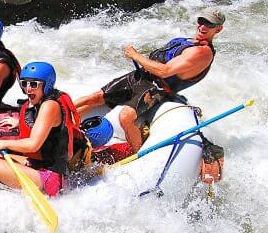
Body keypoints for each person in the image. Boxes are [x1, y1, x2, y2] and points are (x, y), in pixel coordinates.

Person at [74, 8, 225, 151]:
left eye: (209, 24)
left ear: (218, 29)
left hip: (157, 88)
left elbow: (165, 71)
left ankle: (137, 153)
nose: (203, 26)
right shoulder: (186, 40)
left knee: (126, 117)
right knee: (94, 97)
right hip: (141, 76)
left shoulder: (203, 53)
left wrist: (136, 56)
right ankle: (62, 118)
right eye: (201, 21)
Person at [0, 62, 90, 197]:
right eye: (24, 83)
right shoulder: (45, 100)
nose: (28, 89)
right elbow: (45, 123)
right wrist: (20, 122)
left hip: (51, 179)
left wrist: (4, 143)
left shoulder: (50, 106)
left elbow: (33, 145)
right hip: (43, 166)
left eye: (34, 84)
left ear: (47, 85)